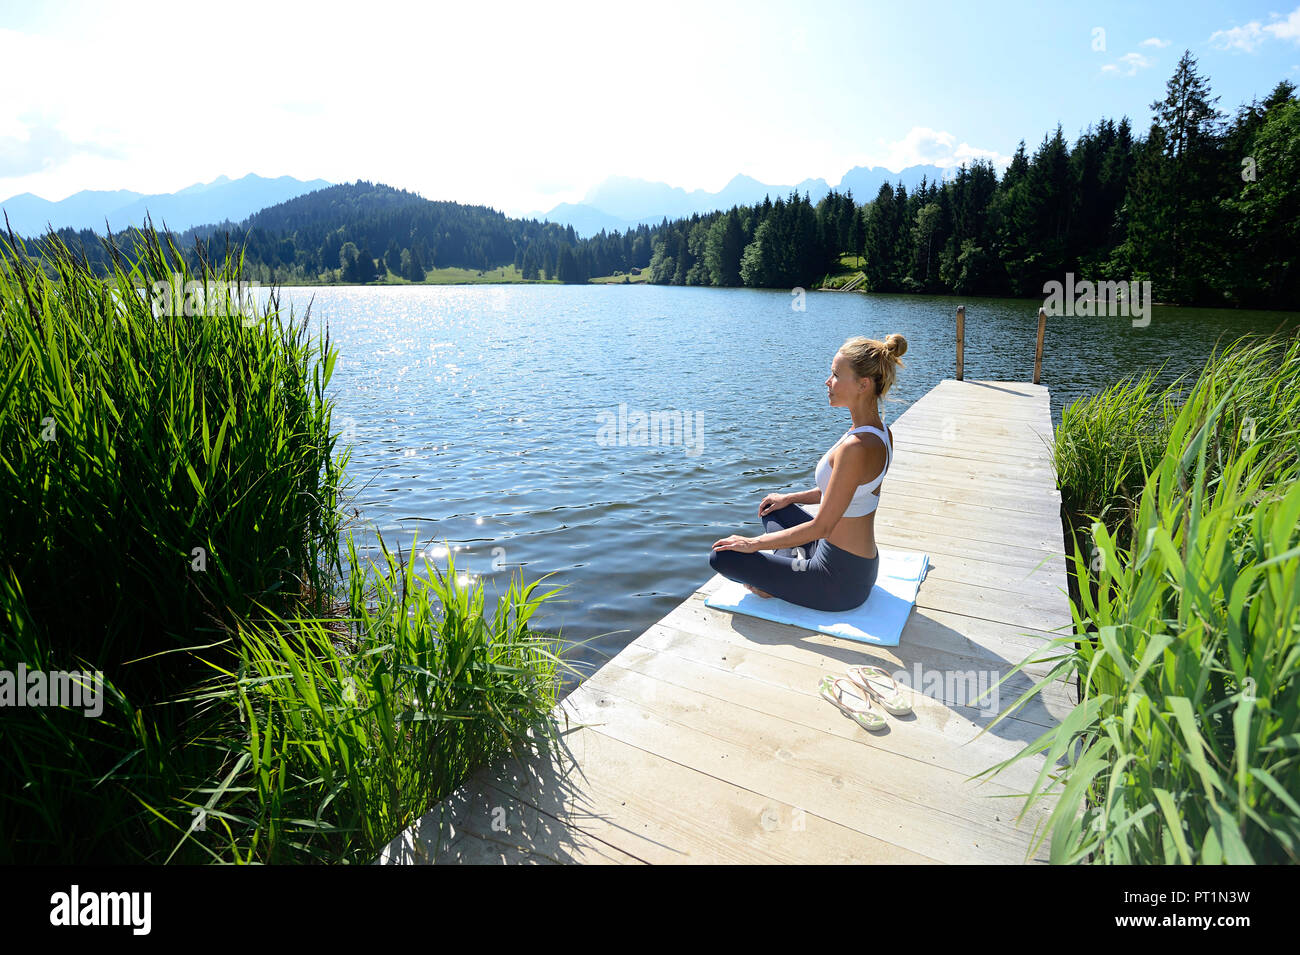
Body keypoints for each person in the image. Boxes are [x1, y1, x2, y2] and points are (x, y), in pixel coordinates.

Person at [709, 333, 907, 612]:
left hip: (839, 581)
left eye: (836, 375)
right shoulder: (880, 432)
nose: (828, 382)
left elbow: (821, 527)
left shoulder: (858, 447)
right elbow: (844, 492)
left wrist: (753, 544)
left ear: (863, 384)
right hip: (851, 561)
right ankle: (784, 570)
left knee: (723, 557)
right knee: (774, 510)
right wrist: (790, 498)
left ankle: (776, 581)